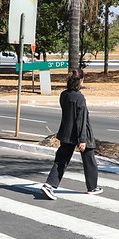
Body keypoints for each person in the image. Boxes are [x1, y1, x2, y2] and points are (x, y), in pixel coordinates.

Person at [41, 68, 102, 200]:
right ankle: (92, 187)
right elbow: (81, 119)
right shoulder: (80, 97)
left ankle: (49, 185)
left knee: (61, 160)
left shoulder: (64, 95)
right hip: (81, 133)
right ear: (81, 81)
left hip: (66, 133)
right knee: (89, 159)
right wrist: (82, 139)